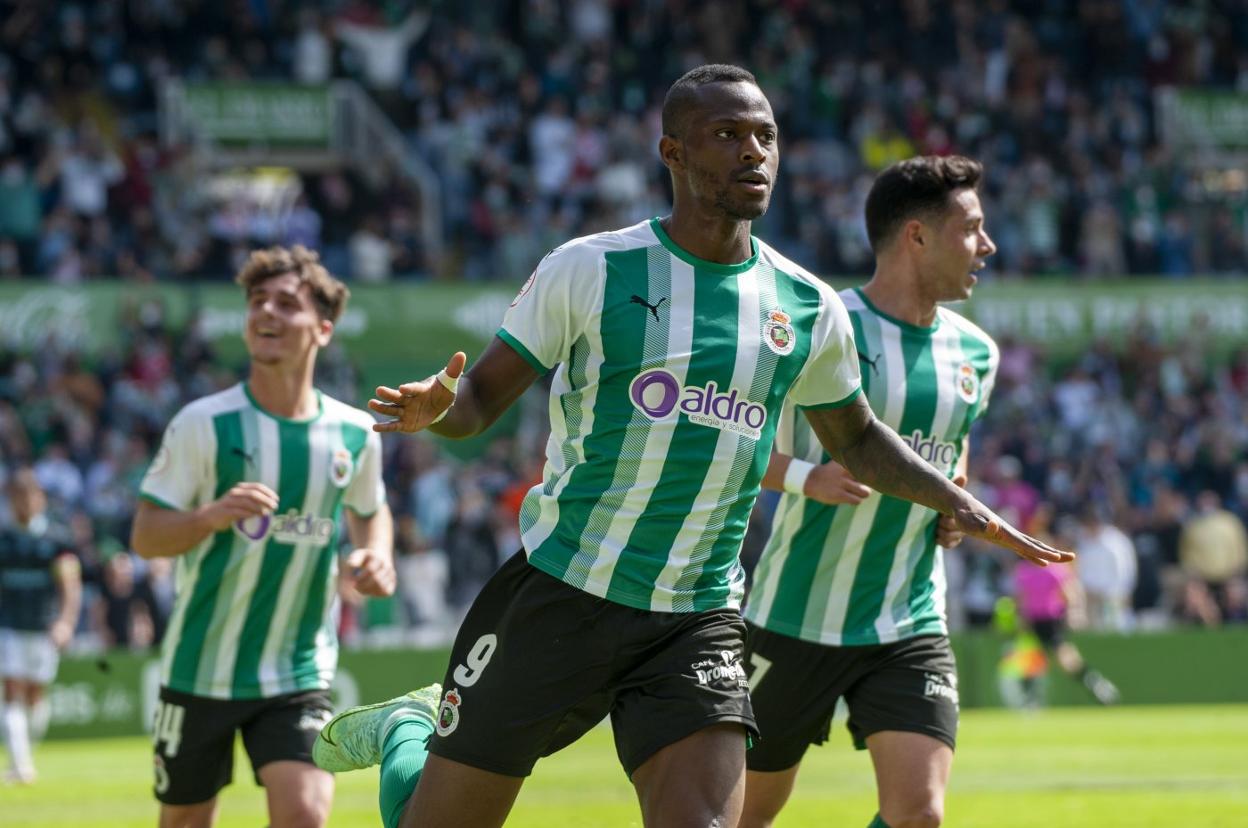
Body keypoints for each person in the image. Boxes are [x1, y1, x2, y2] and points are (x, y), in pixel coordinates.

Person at [313, 66, 1069, 828]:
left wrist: (962, 502)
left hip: (696, 614)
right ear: (672, 152)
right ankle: (411, 734)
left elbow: (861, 440)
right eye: (728, 135)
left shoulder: (804, 307)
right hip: (565, 589)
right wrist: (438, 410)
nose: (754, 153)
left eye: (766, 136)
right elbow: (475, 402)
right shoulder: (592, 268)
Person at [739, 155, 1003, 828]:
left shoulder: (977, 354)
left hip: (907, 618)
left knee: (920, 814)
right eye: (971, 228)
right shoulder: (824, 329)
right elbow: (734, 440)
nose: (988, 245)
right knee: (740, 816)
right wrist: (805, 477)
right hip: (793, 614)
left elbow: (956, 445)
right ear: (916, 236)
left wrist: (952, 502)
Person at [131, 245, 396, 828]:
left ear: (323, 329)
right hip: (200, 667)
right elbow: (147, 537)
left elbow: (371, 511)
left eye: (286, 303)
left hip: (297, 669)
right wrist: (209, 516)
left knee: (305, 813)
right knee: (184, 821)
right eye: (257, 301)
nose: (265, 313)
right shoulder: (205, 423)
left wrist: (376, 555)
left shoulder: (355, 434)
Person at [0, 468, 82, 784]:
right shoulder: (4, 540)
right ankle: (20, 766)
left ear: (40, 499)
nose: (24, 504)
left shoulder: (57, 539)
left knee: (36, 695)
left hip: (44, 628)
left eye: (29, 496)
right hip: (9, 627)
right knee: (12, 690)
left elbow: (70, 585)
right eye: (17, 497)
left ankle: (25, 756)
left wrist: (66, 621)